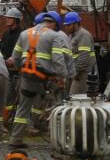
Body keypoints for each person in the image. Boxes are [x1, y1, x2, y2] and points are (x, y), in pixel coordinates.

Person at [9, 12, 70, 147]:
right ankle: (60, 139)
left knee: (23, 108)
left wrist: (21, 69)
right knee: (56, 104)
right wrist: (62, 76)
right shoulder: (53, 35)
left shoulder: (24, 33)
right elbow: (58, 59)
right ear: (54, 24)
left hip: (27, 76)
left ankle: (15, 139)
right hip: (43, 77)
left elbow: (15, 57)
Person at [62, 11, 95, 95]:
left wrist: (75, 72)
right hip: (74, 73)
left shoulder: (84, 35)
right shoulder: (71, 36)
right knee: (70, 99)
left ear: (76, 24)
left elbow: (84, 56)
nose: (66, 27)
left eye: (68, 25)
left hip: (82, 75)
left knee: (75, 98)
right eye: (65, 25)